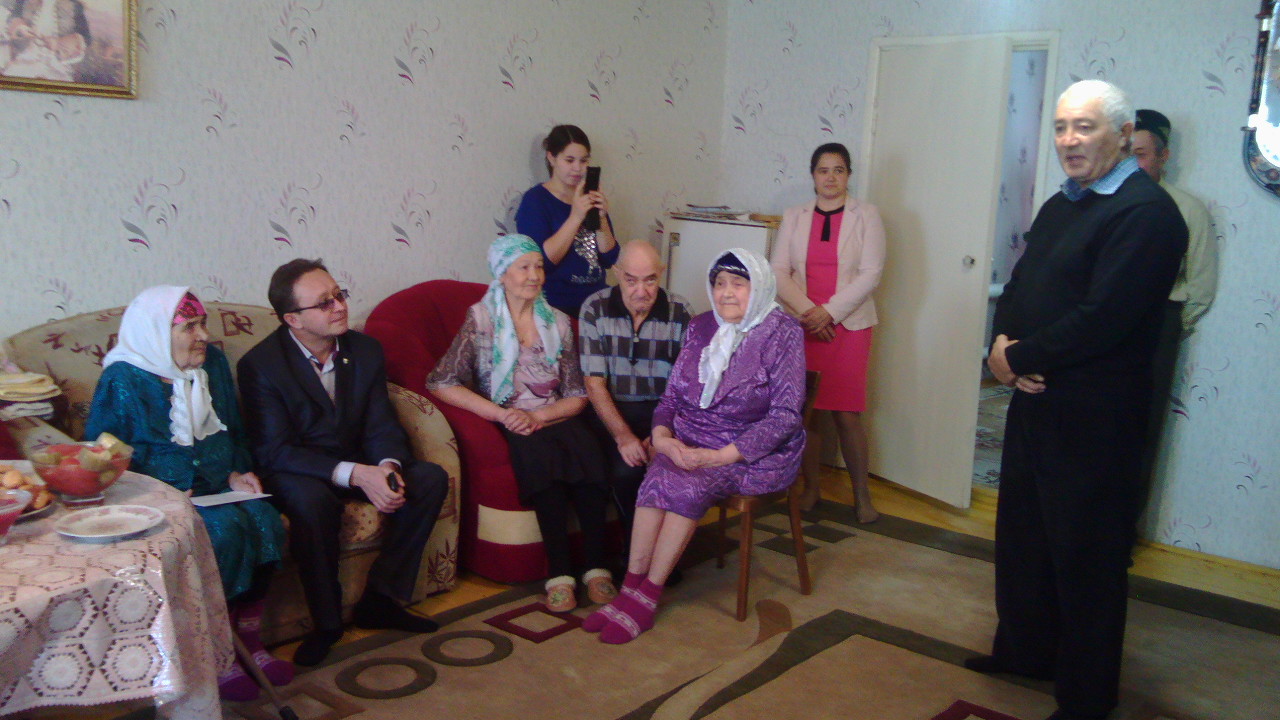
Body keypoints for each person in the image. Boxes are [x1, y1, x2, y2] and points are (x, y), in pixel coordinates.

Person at [973, 80, 1188, 720]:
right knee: (1024, 537)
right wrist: (999, 347)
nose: (1069, 140)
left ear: (1122, 136)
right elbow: (1020, 285)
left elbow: (1105, 318)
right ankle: (1024, 651)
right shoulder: (1061, 204)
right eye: (1062, 127)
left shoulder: (1147, 214)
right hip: (1035, 403)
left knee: (1085, 560)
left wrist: (1019, 358)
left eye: (1085, 127)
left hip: (1095, 418)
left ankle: (1086, 698)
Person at [583, 248, 806, 645]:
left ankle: (648, 597)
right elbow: (671, 397)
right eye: (719, 283)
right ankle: (630, 589)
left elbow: (785, 416)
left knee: (688, 484)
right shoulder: (702, 325)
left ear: (758, 286)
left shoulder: (783, 331)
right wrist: (663, 437)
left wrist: (721, 456)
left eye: (738, 283)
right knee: (655, 478)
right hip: (690, 438)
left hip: (748, 450)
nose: (727, 293)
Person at [237, 259, 449, 667]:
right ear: (293, 319)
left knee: (428, 479)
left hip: (359, 459)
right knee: (311, 502)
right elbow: (275, 451)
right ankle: (327, 624)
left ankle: (381, 600)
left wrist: (387, 468)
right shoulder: (261, 366)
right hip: (299, 470)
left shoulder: (364, 349)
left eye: (339, 295)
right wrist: (356, 474)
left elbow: (380, 422)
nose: (339, 307)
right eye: (324, 303)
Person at [85, 286, 290, 702]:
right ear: (156, 332)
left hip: (217, 486)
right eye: (190, 327)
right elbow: (101, 455)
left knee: (267, 521)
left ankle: (249, 641)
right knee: (223, 532)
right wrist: (157, 489)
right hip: (157, 499)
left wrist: (237, 472)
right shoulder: (123, 377)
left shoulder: (212, 363)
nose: (203, 336)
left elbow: (233, 428)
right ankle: (219, 655)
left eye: (203, 324)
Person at [427, 234, 616, 613]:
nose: (534, 276)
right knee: (541, 464)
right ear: (502, 274)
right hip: (510, 417)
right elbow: (441, 381)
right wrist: (501, 415)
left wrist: (540, 415)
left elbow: (577, 394)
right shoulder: (481, 320)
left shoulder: (558, 322)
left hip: (552, 412)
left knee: (588, 453)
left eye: (539, 267)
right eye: (524, 267)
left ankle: (596, 568)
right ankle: (559, 575)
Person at [771, 141, 884, 522]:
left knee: (846, 414)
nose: (831, 178)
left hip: (848, 326)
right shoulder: (794, 216)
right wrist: (810, 314)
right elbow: (778, 271)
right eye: (823, 170)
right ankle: (812, 488)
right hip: (804, 325)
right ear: (813, 175)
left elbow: (871, 273)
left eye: (838, 170)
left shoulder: (867, 215)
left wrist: (829, 313)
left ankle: (862, 496)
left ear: (848, 175)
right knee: (808, 413)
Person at [578, 240, 693, 563]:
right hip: (612, 411)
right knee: (627, 471)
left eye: (650, 280)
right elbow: (594, 384)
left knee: (670, 466)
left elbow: (686, 387)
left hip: (663, 412)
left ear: (661, 273)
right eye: (631, 280)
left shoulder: (681, 311)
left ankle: (662, 559)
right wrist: (623, 436)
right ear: (617, 273)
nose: (641, 291)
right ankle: (635, 560)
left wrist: (662, 435)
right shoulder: (595, 308)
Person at [1129, 108, 1219, 483]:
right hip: (1097, 325)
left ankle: (1126, 516)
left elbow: (1200, 284)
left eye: (1139, 154)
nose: (1129, 164)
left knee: (1141, 426)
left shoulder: (1186, 209)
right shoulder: (1098, 204)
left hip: (1156, 326)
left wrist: (1168, 325)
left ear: (1163, 156)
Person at [515, 124, 619, 316]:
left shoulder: (589, 196)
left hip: (596, 302)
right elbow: (541, 262)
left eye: (584, 161)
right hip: (556, 304)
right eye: (569, 160)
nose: (577, 168)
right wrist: (576, 217)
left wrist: (602, 219)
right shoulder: (536, 201)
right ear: (551, 158)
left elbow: (609, 258)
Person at [2, 0, 90, 82]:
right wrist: (20, 28)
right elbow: (13, 18)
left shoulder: (74, 5)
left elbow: (85, 37)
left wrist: (59, 43)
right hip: (28, 51)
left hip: (56, 59)